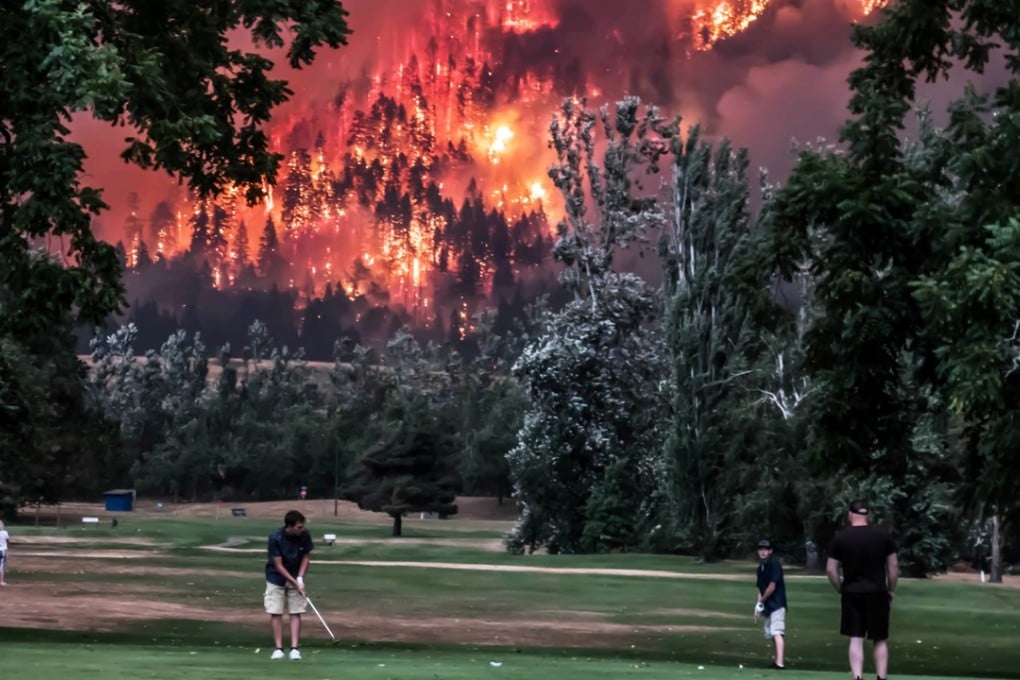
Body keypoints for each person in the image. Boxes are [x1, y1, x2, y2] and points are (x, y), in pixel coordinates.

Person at [826, 500, 898, 680]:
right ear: (868, 515)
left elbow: (831, 569)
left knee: (856, 637)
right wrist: (891, 589)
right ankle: (881, 677)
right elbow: (893, 567)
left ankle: (858, 676)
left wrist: (840, 588)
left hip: (852, 592)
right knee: (879, 638)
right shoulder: (883, 536)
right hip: (877, 592)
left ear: (850, 514)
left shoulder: (841, 538)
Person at [264, 510, 314, 660]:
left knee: (296, 611)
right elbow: (278, 565)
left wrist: (300, 578)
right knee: (276, 611)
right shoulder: (275, 537)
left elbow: (305, 557)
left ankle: (294, 649)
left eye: (302, 526)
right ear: (289, 526)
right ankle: (278, 649)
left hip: (296, 574)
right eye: (299, 527)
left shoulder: (304, 535)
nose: (302, 529)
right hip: (275, 577)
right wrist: (294, 581)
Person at [753, 538, 787, 669]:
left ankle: (780, 663)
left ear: (770, 551)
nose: (763, 552)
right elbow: (760, 589)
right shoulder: (760, 568)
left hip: (777, 603)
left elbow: (772, 587)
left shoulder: (774, 564)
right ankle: (777, 660)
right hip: (769, 605)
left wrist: (761, 602)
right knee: (772, 633)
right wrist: (758, 605)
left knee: (776, 632)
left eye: (765, 549)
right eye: (761, 549)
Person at [0, 520, 9, 586]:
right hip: (2, 550)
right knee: (1, 566)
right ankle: (1, 581)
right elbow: (8, 540)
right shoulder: (5, 532)